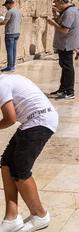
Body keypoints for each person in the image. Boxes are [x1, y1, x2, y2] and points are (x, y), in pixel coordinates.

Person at [0, 74, 58, 232]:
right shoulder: (5, 80)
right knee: (6, 163)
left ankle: (40, 215)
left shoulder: (2, 85)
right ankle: (11, 217)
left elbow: (10, 118)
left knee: (20, 170)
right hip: (32, 121)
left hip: (41, 121)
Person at [46, 0, 79, 100]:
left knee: (68, 67)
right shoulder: (72, 10)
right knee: (65, 66)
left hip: (67, 43)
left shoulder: (69, 12)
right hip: (66, 43)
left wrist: (53, 23)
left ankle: (70, 92)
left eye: (56, 4)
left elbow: (64, 30)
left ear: (61, 3)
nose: (56, 6)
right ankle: (63, 89)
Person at [0, 0, 22, 73]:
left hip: (10, 33)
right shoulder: (19, 11)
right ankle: (12, 66)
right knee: (14, 50)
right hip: (17, 32)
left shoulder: (10, 12)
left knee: (9, 50)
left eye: (6, 5)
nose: (5, 7)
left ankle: (10, 67)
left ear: (9, 4)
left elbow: (5, 22)